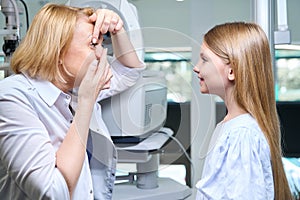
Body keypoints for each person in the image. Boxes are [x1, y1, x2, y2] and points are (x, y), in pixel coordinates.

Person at [0, 3, 144, 200]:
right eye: (93, 44)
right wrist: (87, 101)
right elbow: (53, 193)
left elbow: (130, 72)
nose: (102, 54)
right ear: (58, 52)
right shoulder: (12, 96)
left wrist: (117, 29)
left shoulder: (72, 88)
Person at [193, 22, 293, 200]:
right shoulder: (231, 127)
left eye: (205, 59)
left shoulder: (242, 136)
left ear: (232, 71)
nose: (196, 67)